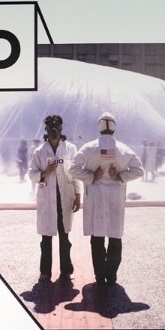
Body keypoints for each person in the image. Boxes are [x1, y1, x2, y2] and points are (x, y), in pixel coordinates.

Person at [70, 111, 144, 286]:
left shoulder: (88, 148)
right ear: (115, 128)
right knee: (115, 236)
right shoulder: (123, 149)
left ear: (99, 127)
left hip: (95, 198)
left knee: (97, 237)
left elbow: (73, 169)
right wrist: (119, 176)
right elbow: (139, 170)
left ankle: (100, 276)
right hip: (115, 198)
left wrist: (91, 176)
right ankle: (111, 275)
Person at [28, 114, 82, 281]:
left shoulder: (70, 149)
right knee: (46, 238)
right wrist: (45, 172)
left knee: (64, 237)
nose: (54, 130)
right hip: (47, 199)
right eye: (51, 127)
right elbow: (31, 173)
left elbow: (76, 173)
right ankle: (45, 272)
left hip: (64, 198)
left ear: (61, 128)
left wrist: (78, 195)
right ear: (46, 129)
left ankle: (66, 270)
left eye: (57, 127)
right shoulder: (39, 151)